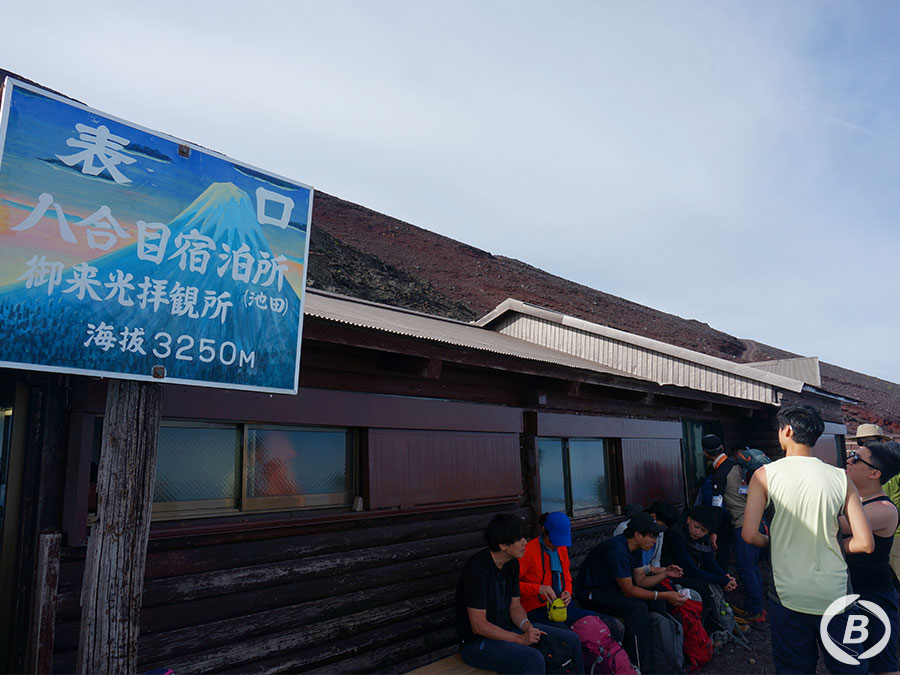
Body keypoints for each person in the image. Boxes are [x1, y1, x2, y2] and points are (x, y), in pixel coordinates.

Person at [742, 404, 874, 674]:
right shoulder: (840, 477)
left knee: (795, 668)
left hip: (788, 593)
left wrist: (773, 543)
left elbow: (748, 534)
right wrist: (834, 544)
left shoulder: (764, 475)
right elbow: (865, 543)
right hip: (835, 592)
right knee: (848, 666)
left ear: (787, 430)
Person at [456, 513, 585, 673]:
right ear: (503, 545)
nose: (525, 542)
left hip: (509, 629)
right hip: (478, 643)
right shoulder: (477, 570)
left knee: (571, 639)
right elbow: (479, 626)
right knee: (533, 659)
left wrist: (528, 628)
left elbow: (515, 607)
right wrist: (519, 638)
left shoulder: (511, 564)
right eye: (519, 539)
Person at [575, 511, 686, 673]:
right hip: (591, 593)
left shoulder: (636, 547)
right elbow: (628, 591)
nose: (654, 541)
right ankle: (640, 666)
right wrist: (665, 595)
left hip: (612, 589)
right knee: (637, 608)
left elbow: (640, 580)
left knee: (657, 596)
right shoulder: (618, 549)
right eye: (651, 536)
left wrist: (664, 574)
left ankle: (663, 659)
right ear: (637, 535)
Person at [519, 512, 625, 642]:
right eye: (553, 541)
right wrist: (539, 589)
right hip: (536, 609)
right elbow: (512, 585)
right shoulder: (528, 551)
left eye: (560, 541)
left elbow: (567, 576)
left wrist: (567, 592)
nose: (556, 545)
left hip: (563, 607)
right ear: (544, 530)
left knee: (613, 625)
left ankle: (614, 660)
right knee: (570, 638)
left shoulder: (561, 548)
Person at [842, 441, 900, 675]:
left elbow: (831, 526)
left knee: (883, 665)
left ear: (874, 473)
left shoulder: (883, 509)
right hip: (854, 594)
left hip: (874, 598)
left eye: (856, 457)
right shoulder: (859, 502)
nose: (849, 460)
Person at [699, 434, 766, 623]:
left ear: (705, 453)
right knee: (752, 566)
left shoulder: (719, 475)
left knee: (745, 567)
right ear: (722, 447)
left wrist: (713, 532)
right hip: (758, 522)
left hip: (742, 524)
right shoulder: (737, 466)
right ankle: (759, 607)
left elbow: (716, 508)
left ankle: (755, 609)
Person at [661, 505, 737, 618]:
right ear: (689, 520)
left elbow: (709, 560)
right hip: (672, 573)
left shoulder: (703, 537)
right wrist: (721, 579)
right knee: (702, 586)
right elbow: (689, 568)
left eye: (703, 531)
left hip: (691, 569)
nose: (698, 533)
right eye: (696, 527)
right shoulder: (675, 535)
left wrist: (725, 577)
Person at [612, 501, 680, 571]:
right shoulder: (625, 528)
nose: (654, 541)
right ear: (653, 517)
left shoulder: (660, 531)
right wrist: (651, 569)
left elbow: (656, 560)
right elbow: (626, 563)